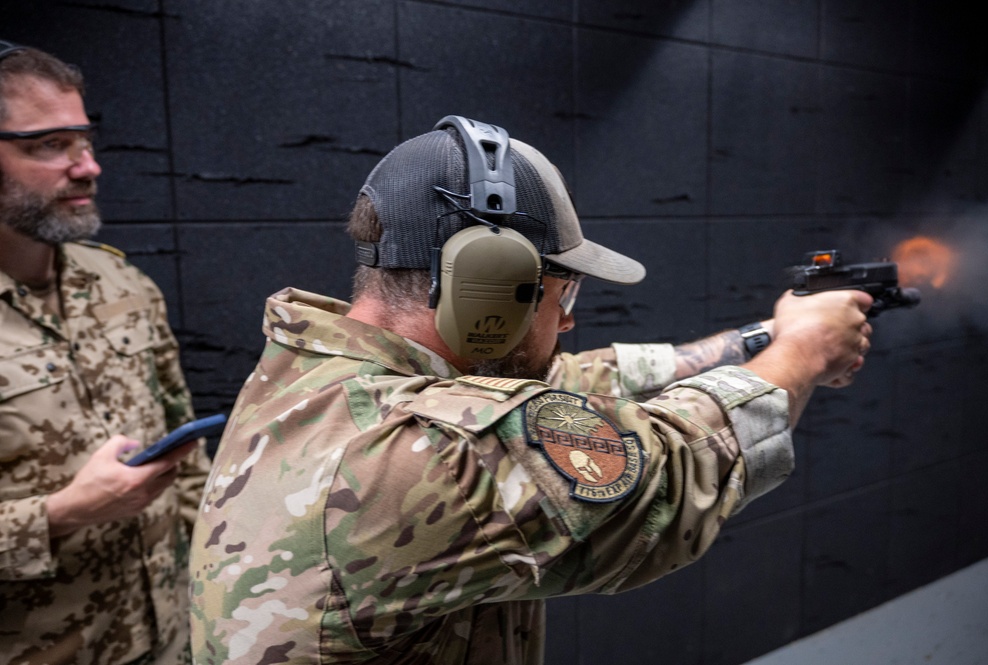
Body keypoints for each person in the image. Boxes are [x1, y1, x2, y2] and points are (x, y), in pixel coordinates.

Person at [189, 116, 872, 664]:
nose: (569, 317)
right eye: (559, 290)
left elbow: (567, 383)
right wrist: (802, 353)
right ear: (486, 286)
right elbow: (673, 473)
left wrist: (762, 336)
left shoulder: (310, 370)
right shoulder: (420, 455)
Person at [0, 40, 210, 664]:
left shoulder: (123, 285)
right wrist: (63, 512)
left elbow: (187, 459)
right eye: (49, 144)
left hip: (167, 641)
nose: (87, 166)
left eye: (85, 141)